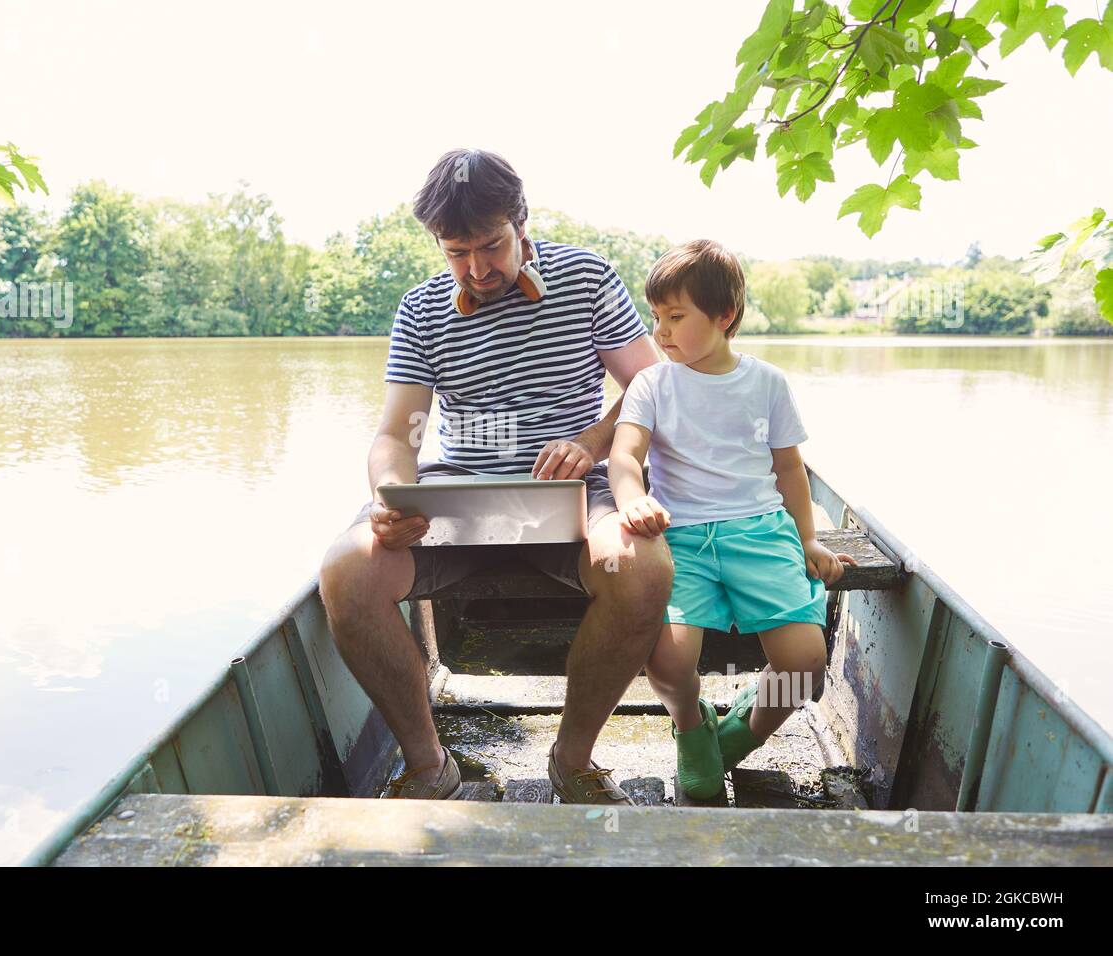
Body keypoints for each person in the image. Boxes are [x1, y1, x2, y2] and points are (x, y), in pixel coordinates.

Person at [318, 149, 669, 805]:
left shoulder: (587, 277)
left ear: (522, 223)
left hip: (577, 492)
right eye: (456, 252)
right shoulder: (421, 311)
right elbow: (397, 434)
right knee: (348, 569)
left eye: (492, 246)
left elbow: (653, 387)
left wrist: (592, 443)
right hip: (457, 498)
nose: (477, 269)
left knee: (643, 567)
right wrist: (387, 497)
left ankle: (572, 760)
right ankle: (429, 766)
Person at [608, 239, 857, 800]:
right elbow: (623, 457)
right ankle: (692, 729)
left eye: (676, 317)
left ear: (724, 317)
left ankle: (735, 737)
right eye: (656, 317)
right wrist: (631, 499)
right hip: (684, 540)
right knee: (669, 657)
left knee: (803, 661)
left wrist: (808, 539)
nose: (662, 331)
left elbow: (791, 471)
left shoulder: (766, 382)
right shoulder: (652, 384)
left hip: (761, 533)